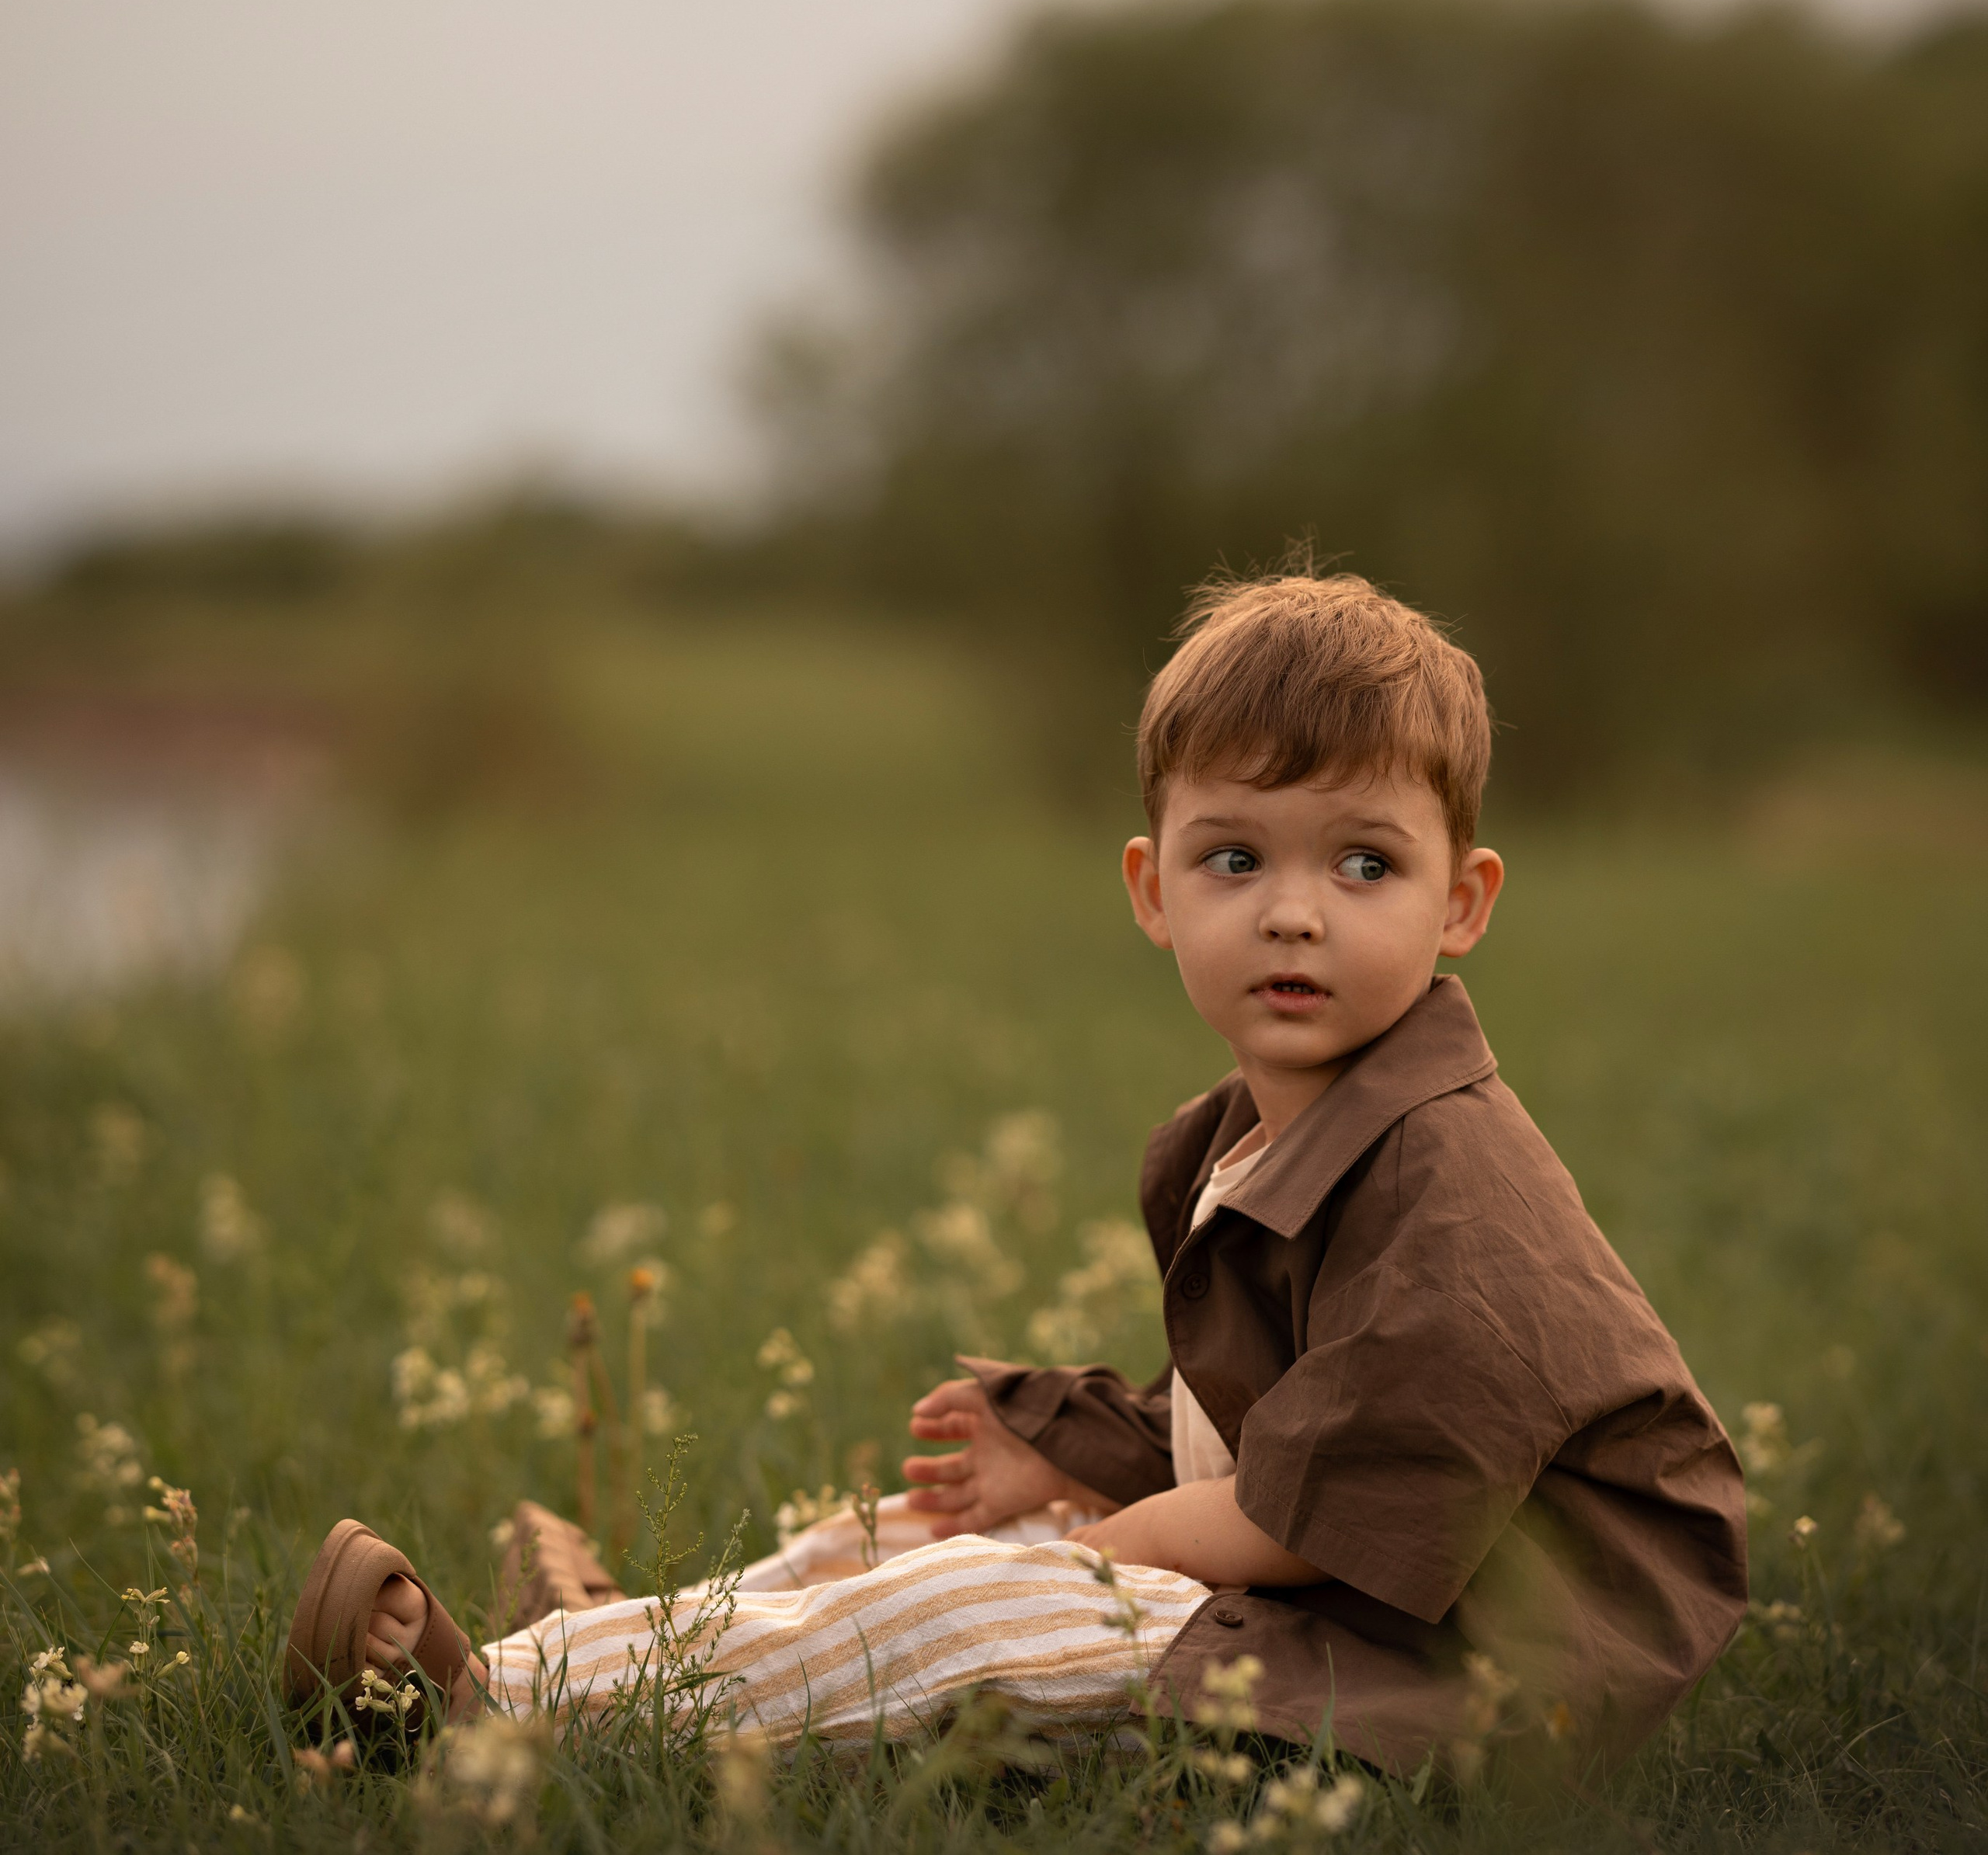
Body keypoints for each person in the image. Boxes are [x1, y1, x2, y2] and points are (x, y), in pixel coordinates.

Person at [286, 570, 1746, 1776]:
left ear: (1464, 901)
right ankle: (584, 1649)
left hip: (1464, 1674)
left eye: (1365, 864)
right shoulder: (1245, 1135)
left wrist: (1097, 1544)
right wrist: (1074, 1454)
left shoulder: (1458, 1193)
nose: (1296, 913)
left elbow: (1307, 1511)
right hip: (1341, 1586)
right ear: (1152, 891)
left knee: (999, 1602)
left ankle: (504, 1721)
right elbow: (1260, 1427)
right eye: (1236, 858)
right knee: (941, 1532)